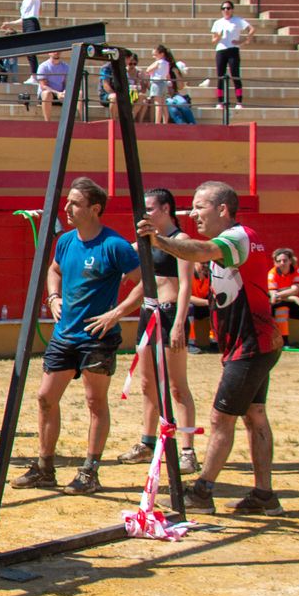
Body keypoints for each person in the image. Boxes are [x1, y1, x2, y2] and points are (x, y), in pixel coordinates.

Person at [137, 181, 283, 515]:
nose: (193, 213)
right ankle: (264, 495)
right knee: (255, 415)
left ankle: (202, 492)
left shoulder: (237, 237)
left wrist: (159, 241)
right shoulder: (235, 241)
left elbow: (200, 251)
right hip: (255, 343)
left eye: (200, 206)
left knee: (221, 418)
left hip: (250, 345)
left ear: (223, 209)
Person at [11, 177, 142, 495]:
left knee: (95, 401)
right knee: (45, 397)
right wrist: (54, 297)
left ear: (95, 209)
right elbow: (54, 269)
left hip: (97, 336)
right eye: (67, 202)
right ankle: (45, 468)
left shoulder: (115, 245)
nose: (67, 208)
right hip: (64, 334)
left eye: (75, 203)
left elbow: (144, 282)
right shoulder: (66, 241)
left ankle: (89, 472)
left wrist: (116, 313)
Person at [114, 188, 200, 473]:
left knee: (176, 386)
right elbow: (124, 256)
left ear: (166, 209)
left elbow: (186, 286)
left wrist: (179, 323)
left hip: (170, 313)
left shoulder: (181, 241)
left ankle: (187, 450)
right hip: (148, 314)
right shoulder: (145, 240)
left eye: (150, 208)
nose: (145, 214)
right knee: (147, 384)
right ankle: (147, 442)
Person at [211, 0, 253, 111]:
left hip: (233, 50)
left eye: (228, 8)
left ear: (232, 9)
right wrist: (218, 37)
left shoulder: (237, 20)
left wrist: (244, 40)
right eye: (224, 8)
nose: (226, 10)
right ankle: (220, 102)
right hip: (221, 50)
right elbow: (213, 40)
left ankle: (239, 102)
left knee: (235, 75)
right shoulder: (218, 23)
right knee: (220, 76)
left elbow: (252, 29)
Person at [143, 46, 181, 124]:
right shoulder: (167, 63)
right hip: (164, 83)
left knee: (158, 104)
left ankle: (157, 122)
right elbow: (167, 75)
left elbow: (148, 70)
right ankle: (165, 121)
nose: (154, 57)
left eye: (155, 55)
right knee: (163, 104)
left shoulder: (158, 62)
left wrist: (151, 71)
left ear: (162, 54)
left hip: (157, 83)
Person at [12, 0, 43, 75]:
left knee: (31, 49)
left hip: (32, 23)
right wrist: (10, 23)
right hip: (25, 24)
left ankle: (34, 74)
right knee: (28, 51)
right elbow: (23, 18)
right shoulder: (25, 1)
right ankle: (33, 73)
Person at [34, 49, 69, 121]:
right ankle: (48, 123)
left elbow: (67, 83)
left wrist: (65, 92)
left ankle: (83, 122)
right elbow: (43, 86)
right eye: (54, 50)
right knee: (47, 93)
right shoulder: (43, 66)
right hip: (48, 95)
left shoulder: (66, 67)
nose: (57, 52)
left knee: (80, 93)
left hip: (61, 95)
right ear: (49, 53)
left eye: (59, 50)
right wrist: (57, 93)